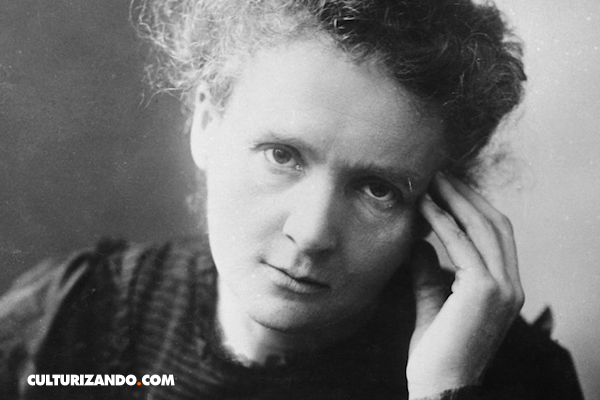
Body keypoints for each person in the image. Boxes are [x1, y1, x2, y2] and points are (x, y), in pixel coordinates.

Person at [0, 0, 584, 399]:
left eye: (378, 188)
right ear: (206, 125)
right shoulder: (70, 317)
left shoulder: (514, 378)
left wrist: (443, 391)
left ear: (439, 204)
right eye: (282, 155)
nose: (311, 234)